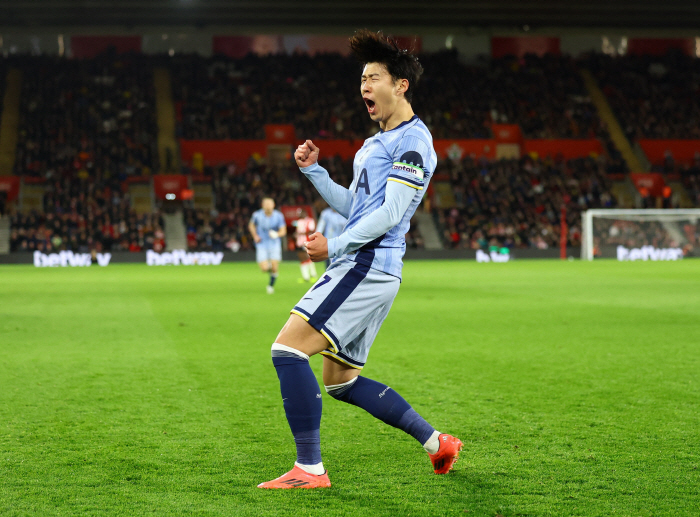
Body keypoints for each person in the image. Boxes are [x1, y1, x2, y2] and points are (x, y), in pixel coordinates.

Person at [258, 30, 462, 490]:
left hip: (367, 263)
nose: (364, 87)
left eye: (373, 78)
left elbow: (390, 214)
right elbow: (358, 207)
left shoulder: (413, 142)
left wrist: (336, 246)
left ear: (401, 85)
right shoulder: (375, 143)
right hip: (370, 266)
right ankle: (437, 444)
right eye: (362, 80)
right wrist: (315, 172)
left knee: (287, 350)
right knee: (341, 382)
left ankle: (309, 469)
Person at [248, 197, 287, 294]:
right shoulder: (257, 215)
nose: (268, 206)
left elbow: (283, 231)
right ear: (263, 205)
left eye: (270, 204)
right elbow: (251, 225)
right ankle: (270, 268)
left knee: (274, 267)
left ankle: (270, 286)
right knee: (264, 269)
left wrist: (277, 234)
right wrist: (255, 236)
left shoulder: (278, 216)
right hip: (261, 244)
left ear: (273, 205)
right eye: (266, 204)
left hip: (274, 244)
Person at [292, 208, 318, 283]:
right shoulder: (299, 222)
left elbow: (311, 230)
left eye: (300, 213)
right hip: (300, 242)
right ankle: (305, 277)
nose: (299, 215)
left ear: (304, 213)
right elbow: (297, 231)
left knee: (308, 257)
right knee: (302, 258)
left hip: (307, 241)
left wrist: (301, 233)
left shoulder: (310, 220)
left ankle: (313, 275)